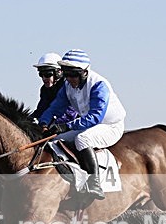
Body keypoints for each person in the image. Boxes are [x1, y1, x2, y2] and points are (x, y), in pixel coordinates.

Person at [38, 49, 126, 200]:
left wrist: (66, 126)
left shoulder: (99, 85)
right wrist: (44, 124)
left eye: (73, 75)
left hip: (111, 126)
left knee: (82, 139)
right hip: (89, 125)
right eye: (66, 74)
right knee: (53, 139)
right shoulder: (67, 85)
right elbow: (55, 108)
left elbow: (95, 117)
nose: (69, 79)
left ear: (84, 72)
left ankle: (95, 183)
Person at [31, 53, 78, 124]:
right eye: (41, 74)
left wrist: (53, 123)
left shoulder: (69, 87)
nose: (44, 78)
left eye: (47, 74)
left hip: (75, 124)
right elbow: (41, 110)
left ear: (58, 73)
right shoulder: (44, 89)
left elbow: (71, 113)